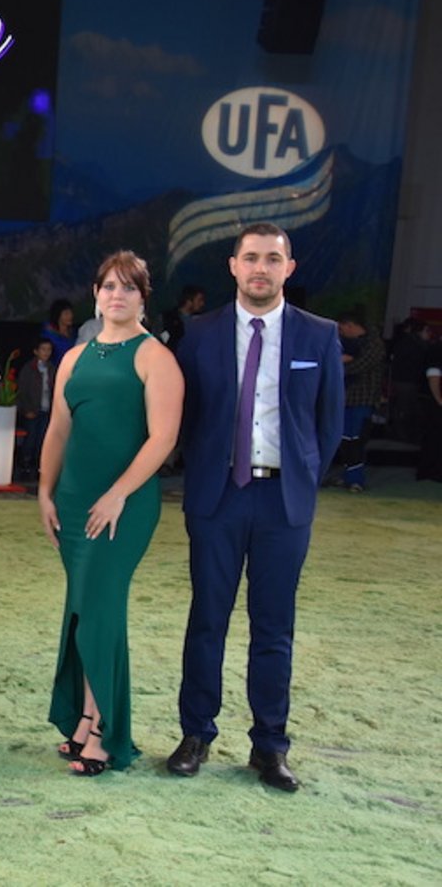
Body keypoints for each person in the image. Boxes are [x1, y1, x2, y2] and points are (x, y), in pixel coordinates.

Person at [168, 223, 343, 792]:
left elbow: (330, 424)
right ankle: (196, 734)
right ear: (233, 266)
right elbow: (186, 418)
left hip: (283, 502)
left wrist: (302, 479)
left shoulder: (319, 336)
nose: (261, 268)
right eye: (251, 258)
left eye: (273, 258)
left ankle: (270, 745)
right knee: (207, 621)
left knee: (274, 628)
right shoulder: (199, 333)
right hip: (218, 499)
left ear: (289, 268)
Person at [38, 251, 183, 776]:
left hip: (123, 506)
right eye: (107, 287)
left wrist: (120, 492)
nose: (116, 296)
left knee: (99, 609)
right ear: (95, 294)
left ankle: (105, 731)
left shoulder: (154, 358)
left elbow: (163, 438)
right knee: (81, 608)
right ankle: (82, 716)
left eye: (128, 288)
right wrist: (45, 492)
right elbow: (58, 429)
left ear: (144, 297)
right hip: (74, 504)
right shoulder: (76, 357)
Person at [336, 310, 384, 493]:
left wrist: (338, 364)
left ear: (350, 325)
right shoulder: (355, 343)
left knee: (355, 440)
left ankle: (356, 479)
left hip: (362, 399)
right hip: (347, 398)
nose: (341, 332)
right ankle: (350, 476)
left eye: (342, 328)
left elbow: (360, 365)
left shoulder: (373, 345)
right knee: (345, 439)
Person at [15, 338, 55, 480]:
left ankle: (38, 467)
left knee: (42, 439)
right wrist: (26, 409)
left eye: (49, 350)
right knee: (30, 439)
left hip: (46, 409)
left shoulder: (51, 368)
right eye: (43, 349)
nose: (46, 353)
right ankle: (25, 465)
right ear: (36, 351)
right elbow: (22, 390)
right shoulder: (29, 368)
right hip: (32, 409)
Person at [418, 332, 442, 482]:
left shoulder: (435, 348)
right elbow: (433, 375)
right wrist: (439, 399)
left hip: (433, 399)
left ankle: (429, 470)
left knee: (433, 437)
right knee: (435, 437)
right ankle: (433, 471)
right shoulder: (438, 349)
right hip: (435, 402)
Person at [160, 285, 206, 353]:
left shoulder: (201, 320)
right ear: (189, 301)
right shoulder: (168, 319)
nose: (202, 304)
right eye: (199, 300)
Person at [41, 299, 77, 364]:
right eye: (66, 314)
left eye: (71, 313)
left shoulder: (73, 332)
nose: (70, 316)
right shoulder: (48, 334)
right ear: (58, 315)